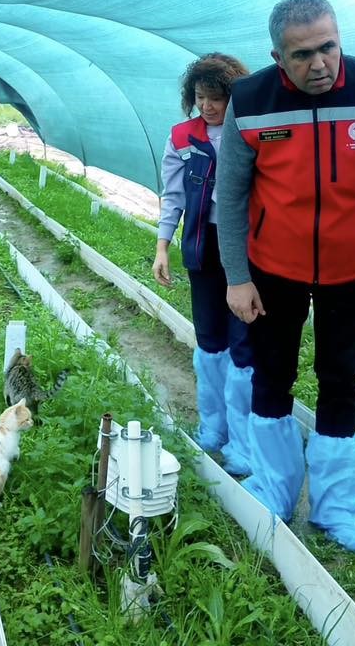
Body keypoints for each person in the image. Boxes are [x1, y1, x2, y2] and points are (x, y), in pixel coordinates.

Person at [216, 0, 355, 550]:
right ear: (278, 58)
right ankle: (272, 490)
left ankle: (337, 506)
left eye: (328, 47)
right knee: (271, 374)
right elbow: (231, 195)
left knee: (340, 377)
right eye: (302, 55)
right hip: (272, 269)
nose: (319, 64)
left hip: (352, 270)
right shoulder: (250, 100)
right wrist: (236, 275)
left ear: (339, 38)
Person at [153, 52, 253, 475]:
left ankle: (245, 443)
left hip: (247, 249)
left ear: (234, 97)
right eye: (200, 97)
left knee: (244, 342)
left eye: (217, 97)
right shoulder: (182, 137)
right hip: (202, 245)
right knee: (210, 339)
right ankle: (214, 428)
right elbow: (173, 196)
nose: (208, 106)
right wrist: (162, 246)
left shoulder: (251, 131)